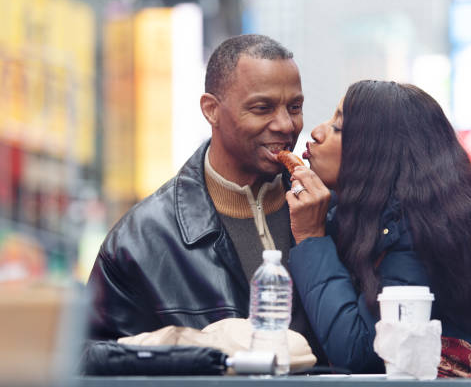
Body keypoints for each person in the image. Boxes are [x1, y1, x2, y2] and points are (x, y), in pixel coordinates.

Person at [285, 80, 471, 385]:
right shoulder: (355, 213)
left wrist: (311, 238)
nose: (317, 132)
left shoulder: (408, 229)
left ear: (379, 153)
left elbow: (361, 350)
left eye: (339, 126)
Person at [86, 34, 326, 362]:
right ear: (211, 110)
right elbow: (94, 361)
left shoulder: (329, 211)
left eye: (294, 107)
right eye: (262, 108)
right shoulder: (140, 238)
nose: (286, 124)